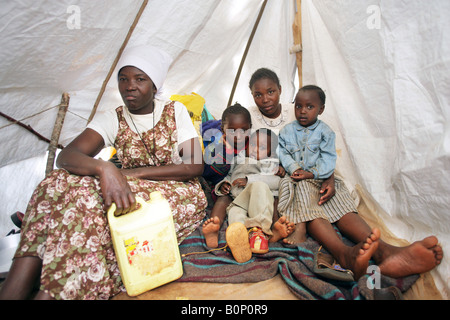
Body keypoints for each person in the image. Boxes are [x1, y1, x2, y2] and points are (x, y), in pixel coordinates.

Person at [0, 45, 207, 300]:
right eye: (123, 79)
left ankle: (56, 292)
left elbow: (195, 165)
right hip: (129, 187)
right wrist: (105, 167)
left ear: (154, 86)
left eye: (140, 79)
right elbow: (66, 157)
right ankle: (17, 287)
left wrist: (129, 175)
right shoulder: (113, 118)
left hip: (180, 191)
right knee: (55, 182)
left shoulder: (174, 111)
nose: (129, 86)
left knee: (86, 197)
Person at [278, 85, 443, 280]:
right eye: (298, 106)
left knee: (341, 203)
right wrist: (296, 170)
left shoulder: (326, 132)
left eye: (309, 107)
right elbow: (283, 153)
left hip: (321, 177)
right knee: (310, 205)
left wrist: (316, 174)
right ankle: (343, 253)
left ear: (321, 109)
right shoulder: (287, 131)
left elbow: (329, 159)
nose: (302, 111)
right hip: (297, 181)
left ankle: (385, 251)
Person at [214, 129, 293, 262]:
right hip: (239, 199)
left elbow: (277, 182)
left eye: (261, 147)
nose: (254, 149)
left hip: (259, 200)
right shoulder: (239, 159)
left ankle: (260, 231)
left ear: (271, 152)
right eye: (252, 145)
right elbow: (229, 175)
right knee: (234, 211)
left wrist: (249, 180)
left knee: (259, 186)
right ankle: (242, 239)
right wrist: (223, 185)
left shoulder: (271, 163)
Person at [201, 104, 252, 248]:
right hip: (228, 186)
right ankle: (213, 227)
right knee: (223, 200)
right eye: (232, 131)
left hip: (248, 184)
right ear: (223, 128)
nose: (238, 135)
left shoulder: (254, 144)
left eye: (244, 130)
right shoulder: (216, 147)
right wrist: (227, 153)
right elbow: (208, 173)